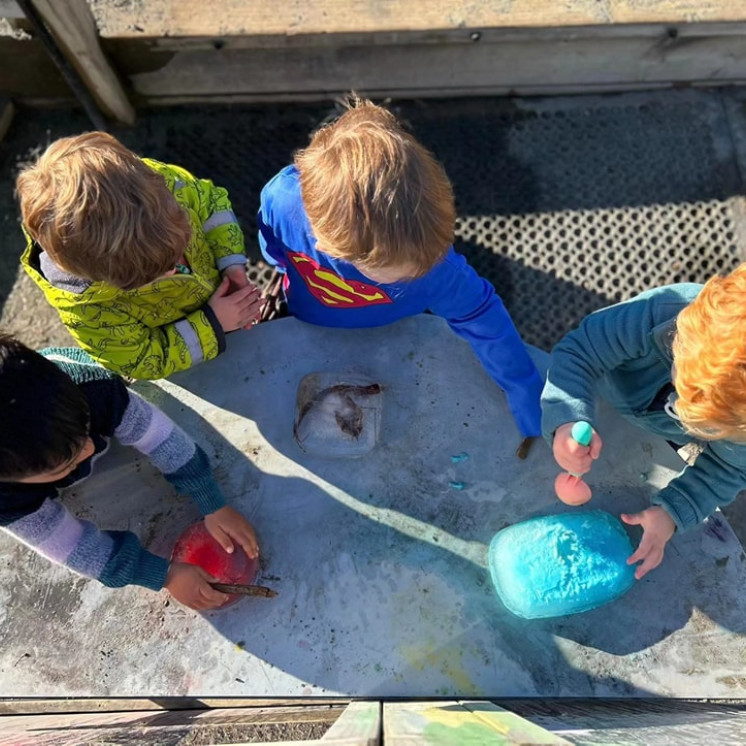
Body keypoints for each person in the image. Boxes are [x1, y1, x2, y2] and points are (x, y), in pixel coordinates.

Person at [257, 97, 542, 447]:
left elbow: (483, 317)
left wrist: (523, 387)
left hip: (397, 334)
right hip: (303, 320)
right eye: (398, 273)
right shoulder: (284, 202)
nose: (417, 275)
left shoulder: (438, 271)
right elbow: (271, 238)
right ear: (330, 247)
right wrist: (278, 262)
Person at [0, 334, 258, 610]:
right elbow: (74, 549)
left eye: (84, 431)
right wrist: (164, 575)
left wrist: (212, 501)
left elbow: (162, 438)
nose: (89, 450)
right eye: (66, 462)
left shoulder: (93, 389)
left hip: (77, 393)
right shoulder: (6, 499)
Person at [541, 269, 746, 579]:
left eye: (708, 424)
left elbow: (729, 468)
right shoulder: (658, 316)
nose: (681, 404)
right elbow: (580, 352)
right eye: (682, 380)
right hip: (609, 394)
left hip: (662, 428)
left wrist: (672, 512)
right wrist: (567, 416)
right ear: (684, 332)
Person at [16, 132, 262, 380]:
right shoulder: (89, 312)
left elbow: (211, 203)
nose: (176, 266)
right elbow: (142, 360)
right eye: (156, 272)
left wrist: (231, 264)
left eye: (180, 246)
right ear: (108, 277)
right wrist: (213, 324)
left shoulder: (158, 184)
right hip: (194, 365)